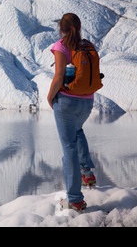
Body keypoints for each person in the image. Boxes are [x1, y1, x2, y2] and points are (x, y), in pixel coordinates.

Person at [47, 13, 96, 211]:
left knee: (69, 149)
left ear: (61, 28)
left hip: (67, 101)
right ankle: (87, 173)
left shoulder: (61, 46)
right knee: (78, 130)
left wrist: (50, 97)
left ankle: (75, 199)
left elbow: (59, 75)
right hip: (87, 101)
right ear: (79, 26)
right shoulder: (87, 45)